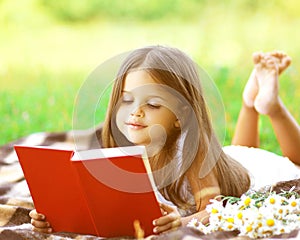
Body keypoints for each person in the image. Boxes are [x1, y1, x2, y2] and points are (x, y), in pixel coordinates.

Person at [29, 46, 300, 236]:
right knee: (239, 152)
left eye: (154, 103)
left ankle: (270, 106)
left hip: (259, 169)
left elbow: (214, 209)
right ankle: (250, 103)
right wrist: (53, 220)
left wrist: (181, 222)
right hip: (232, 162)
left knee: (288, 161)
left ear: (180, 117)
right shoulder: (117, 152)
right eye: (127, 99)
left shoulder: (191, 149)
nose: (135, 111)